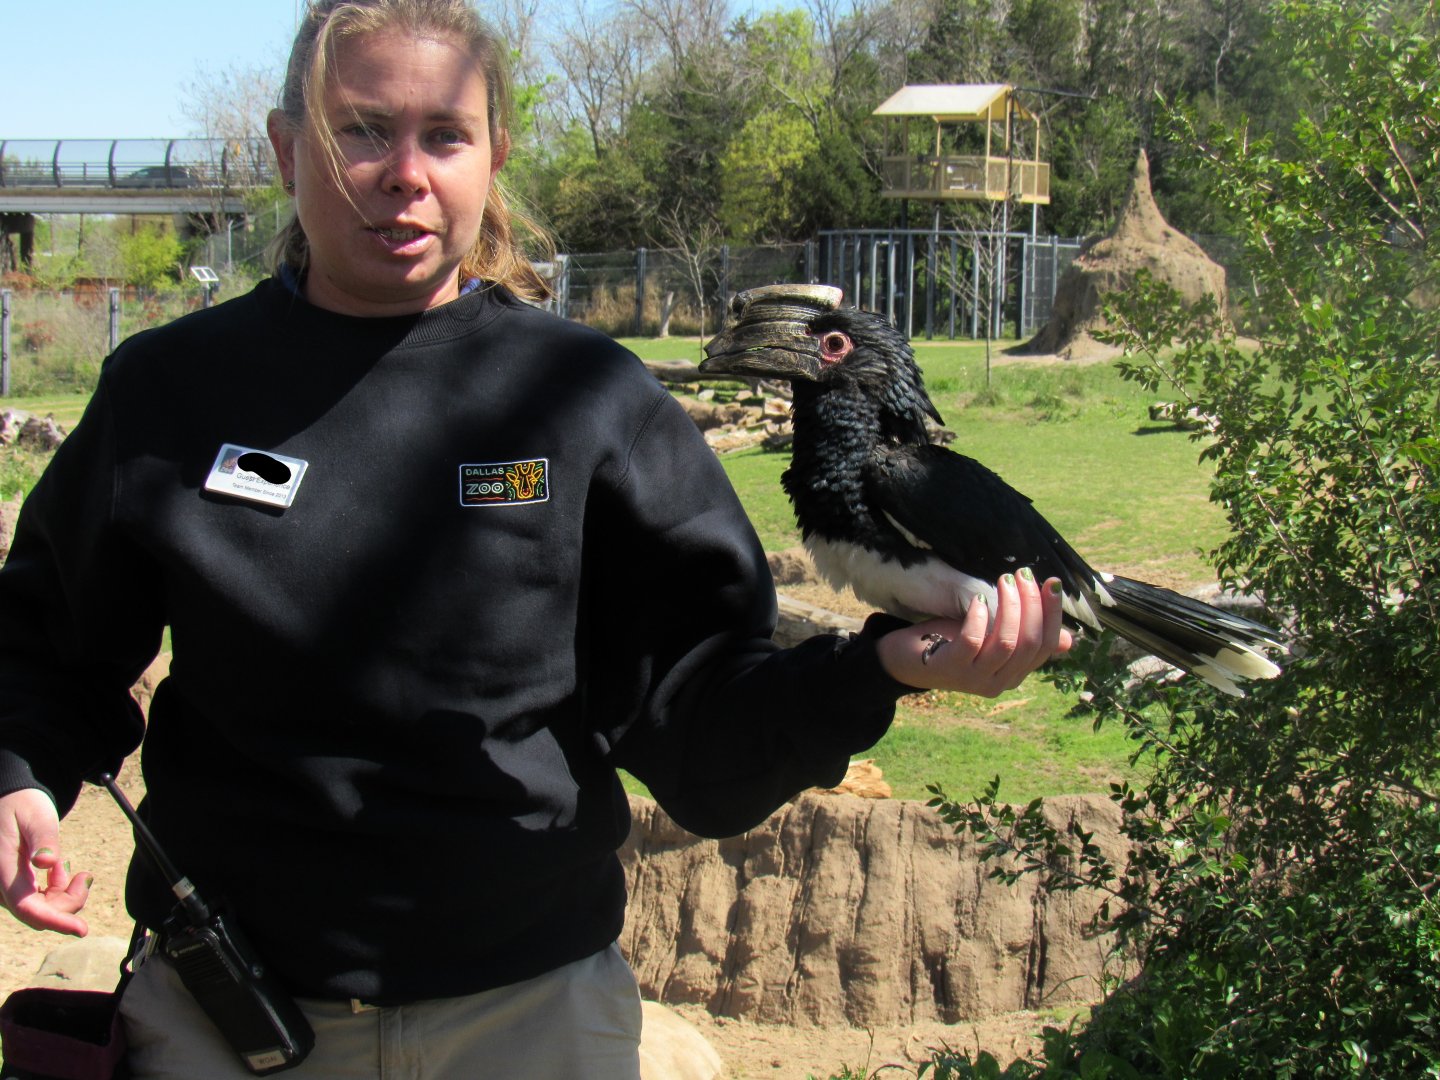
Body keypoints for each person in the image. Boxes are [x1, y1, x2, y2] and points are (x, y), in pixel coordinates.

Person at [0, 1, 1071, 1076]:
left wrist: (881, 665)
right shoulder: (171, 390)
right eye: (360, 130)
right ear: (288, 151)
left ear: (493, 157)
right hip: (225, 1021)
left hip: (530, 1025)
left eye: (444, 136)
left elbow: (700, 729)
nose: (403, 172)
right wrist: (19, 778)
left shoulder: (586, 400)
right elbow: (46, 644)